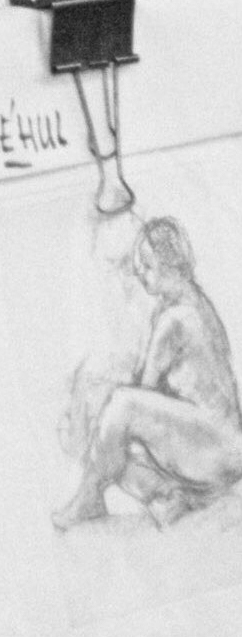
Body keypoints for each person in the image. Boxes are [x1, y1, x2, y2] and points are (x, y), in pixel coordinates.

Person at [56, 216, 242, 529]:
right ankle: (166, 498)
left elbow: (145, 387)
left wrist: (100, 402)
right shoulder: (196, 303)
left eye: (146, 264)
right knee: (111, 420)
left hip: (215, 449)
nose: (139, 272)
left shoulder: (174, 319)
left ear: (170, 265)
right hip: (223, 448)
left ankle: (89, 497)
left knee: (119, 408)